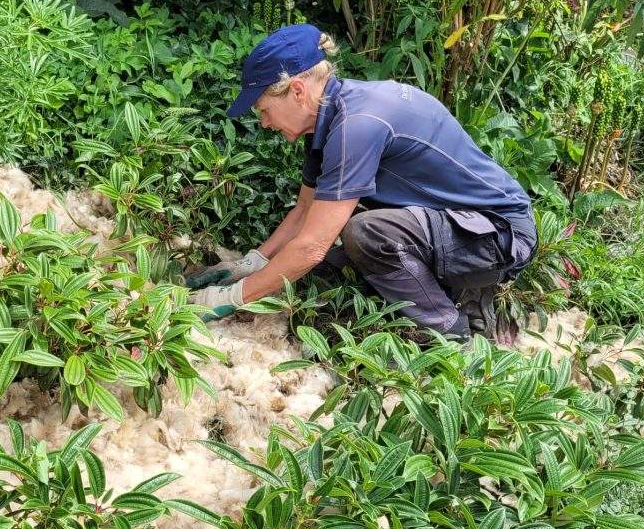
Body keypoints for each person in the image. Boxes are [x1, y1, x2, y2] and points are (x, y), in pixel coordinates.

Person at [187, 23, 537, 340]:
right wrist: (253, 263)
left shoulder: (357, 126)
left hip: (500, 235)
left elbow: (310, 246)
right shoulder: (330, 117)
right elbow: (306, 212)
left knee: (365, 234)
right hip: (457, 228)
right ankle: (463, 289)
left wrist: (229, 299)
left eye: (263, 109)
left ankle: (451, 332)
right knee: (323, 266)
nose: (263, 122)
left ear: (296, 91)